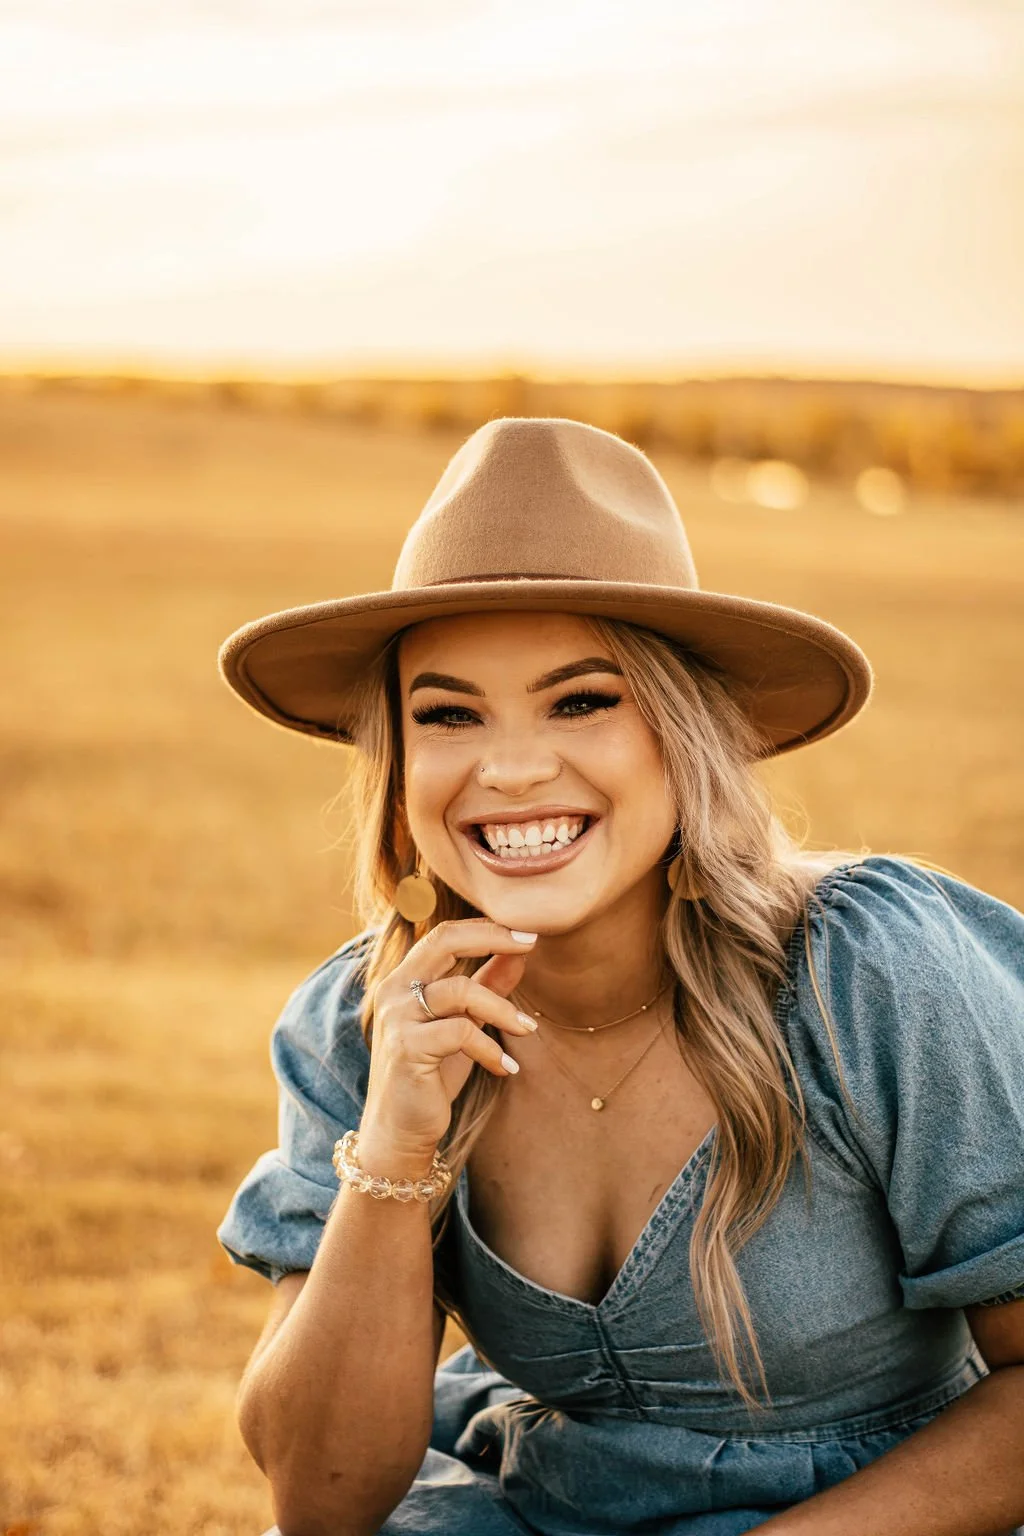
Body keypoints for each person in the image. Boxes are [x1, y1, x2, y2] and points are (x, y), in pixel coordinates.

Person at [215, 417, 1024, 1536]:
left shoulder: (869, 969)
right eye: (447, 715)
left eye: (582, 700)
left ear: (682, 734)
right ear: (398, 764)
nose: (507, 769)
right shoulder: (364, 1027)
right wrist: (394, 1154)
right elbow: (316, 1502)